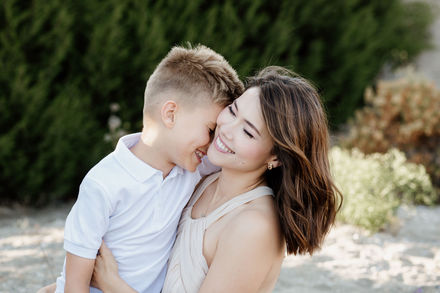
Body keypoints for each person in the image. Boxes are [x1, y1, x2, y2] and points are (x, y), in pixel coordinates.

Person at [90, 66, 343, 293]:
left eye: (247, 131)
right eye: (232, 111)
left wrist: (111, 284)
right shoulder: (203, 178)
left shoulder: (253, 227)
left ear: (276, 157)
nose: (226, 130)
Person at [38, 44, 244, 293]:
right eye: (211, 130)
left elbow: (242, 156)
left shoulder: (191, 168)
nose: (213, 144)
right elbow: (75, 285)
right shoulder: (103, 184)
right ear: (170, 114)